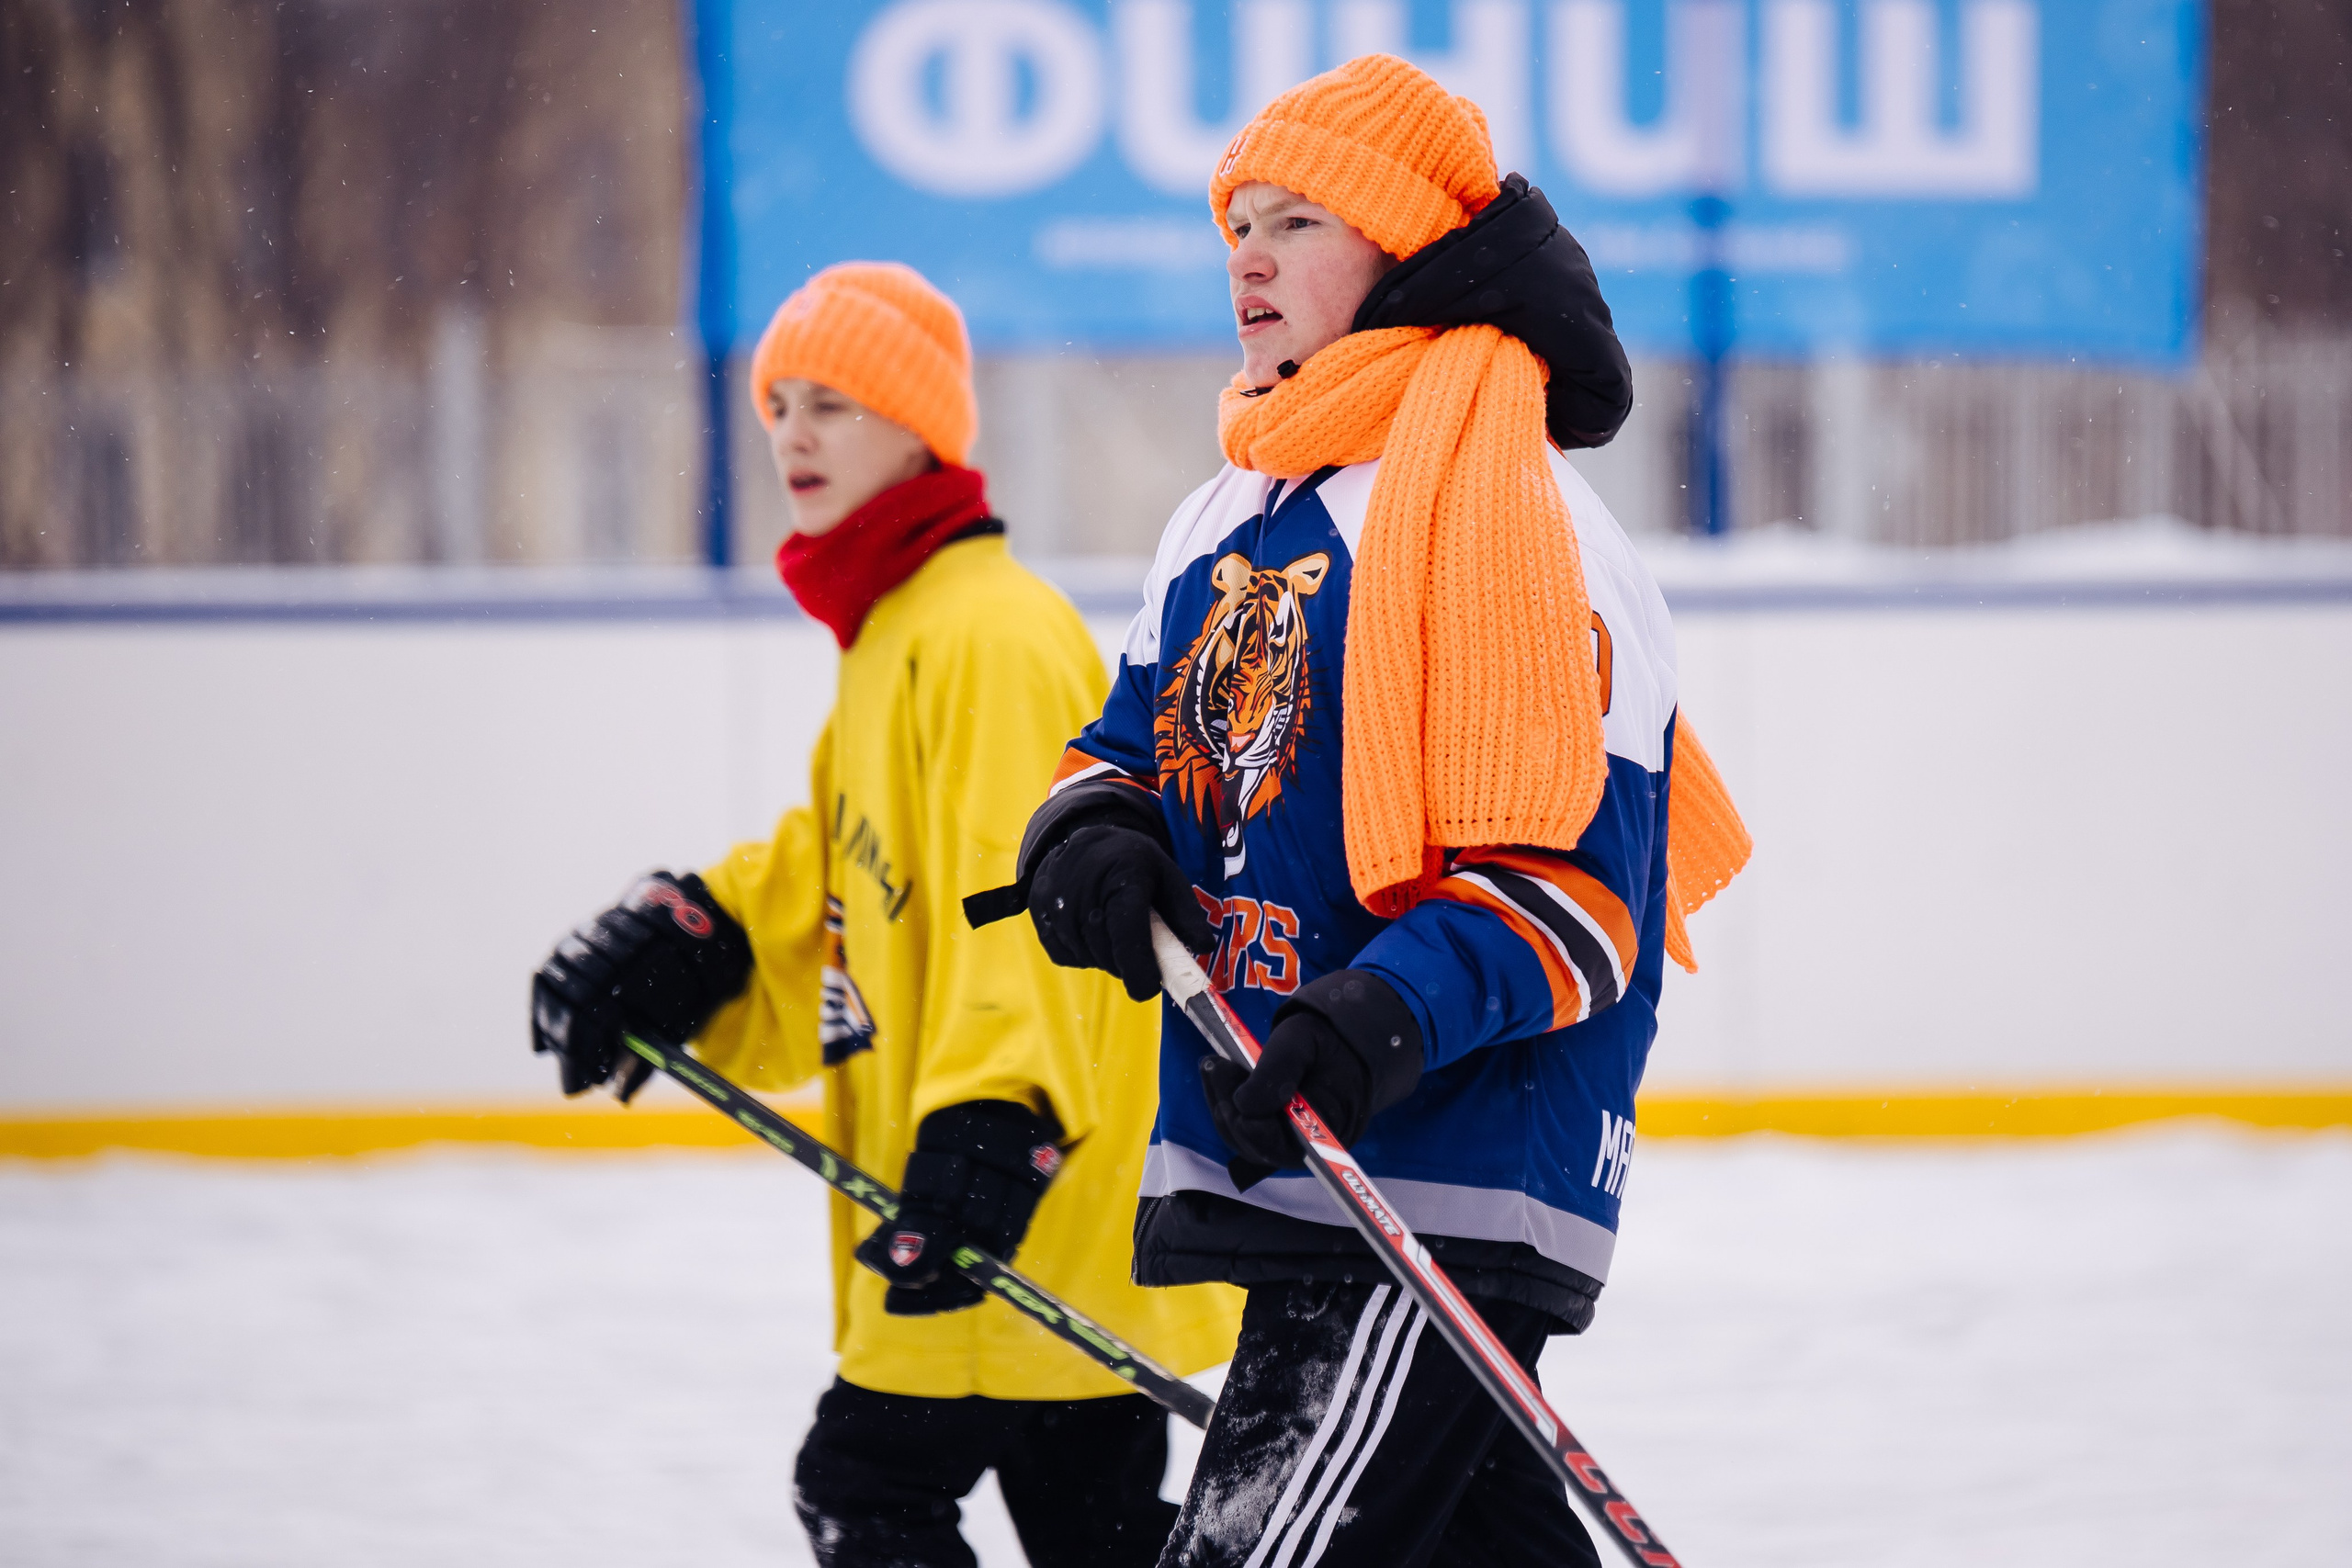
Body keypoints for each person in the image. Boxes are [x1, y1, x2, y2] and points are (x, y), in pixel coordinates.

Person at [975, 56, 1750, 1568]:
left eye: (1297, 221)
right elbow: (1124, 743)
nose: (1246, 257)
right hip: (1303, 1142)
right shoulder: (1236, 504)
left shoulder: (1513, 520)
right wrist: (1093, 830)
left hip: (1440, 1167)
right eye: (1234, 227)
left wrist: (1376, 1019)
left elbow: (1581, 896)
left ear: (1401, 248)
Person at [529, 261, 1241, 1568]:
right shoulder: (895, 632)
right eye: (779, 405)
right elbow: (837, 879)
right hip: (994, 1203)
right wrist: (703, 938)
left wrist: (995, 1120)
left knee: (864, 1488)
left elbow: (1018, 911)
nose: (793, 433)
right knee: (1092, 1531)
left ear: (924, 427)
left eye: (835, 405)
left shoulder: (988, 636)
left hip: (1020, 1194)